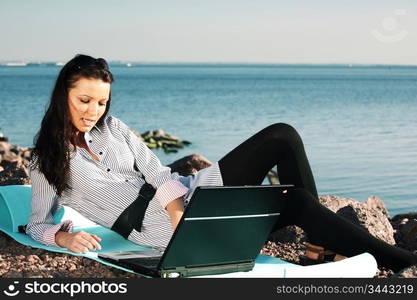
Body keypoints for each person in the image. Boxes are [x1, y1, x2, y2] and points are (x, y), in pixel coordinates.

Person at [27, 54, 417, 273]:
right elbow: (37, 222)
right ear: (63, 93)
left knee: (282, 135)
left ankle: (316, 247)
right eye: (84, 100)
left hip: (188, 198)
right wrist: (62, 237)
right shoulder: (45, 159)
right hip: (156, 230)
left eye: (101, 102)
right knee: (294, 201)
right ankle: (402, 262)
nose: (94, 111)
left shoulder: (114, 128)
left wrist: (180, 207)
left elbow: (159, 172)